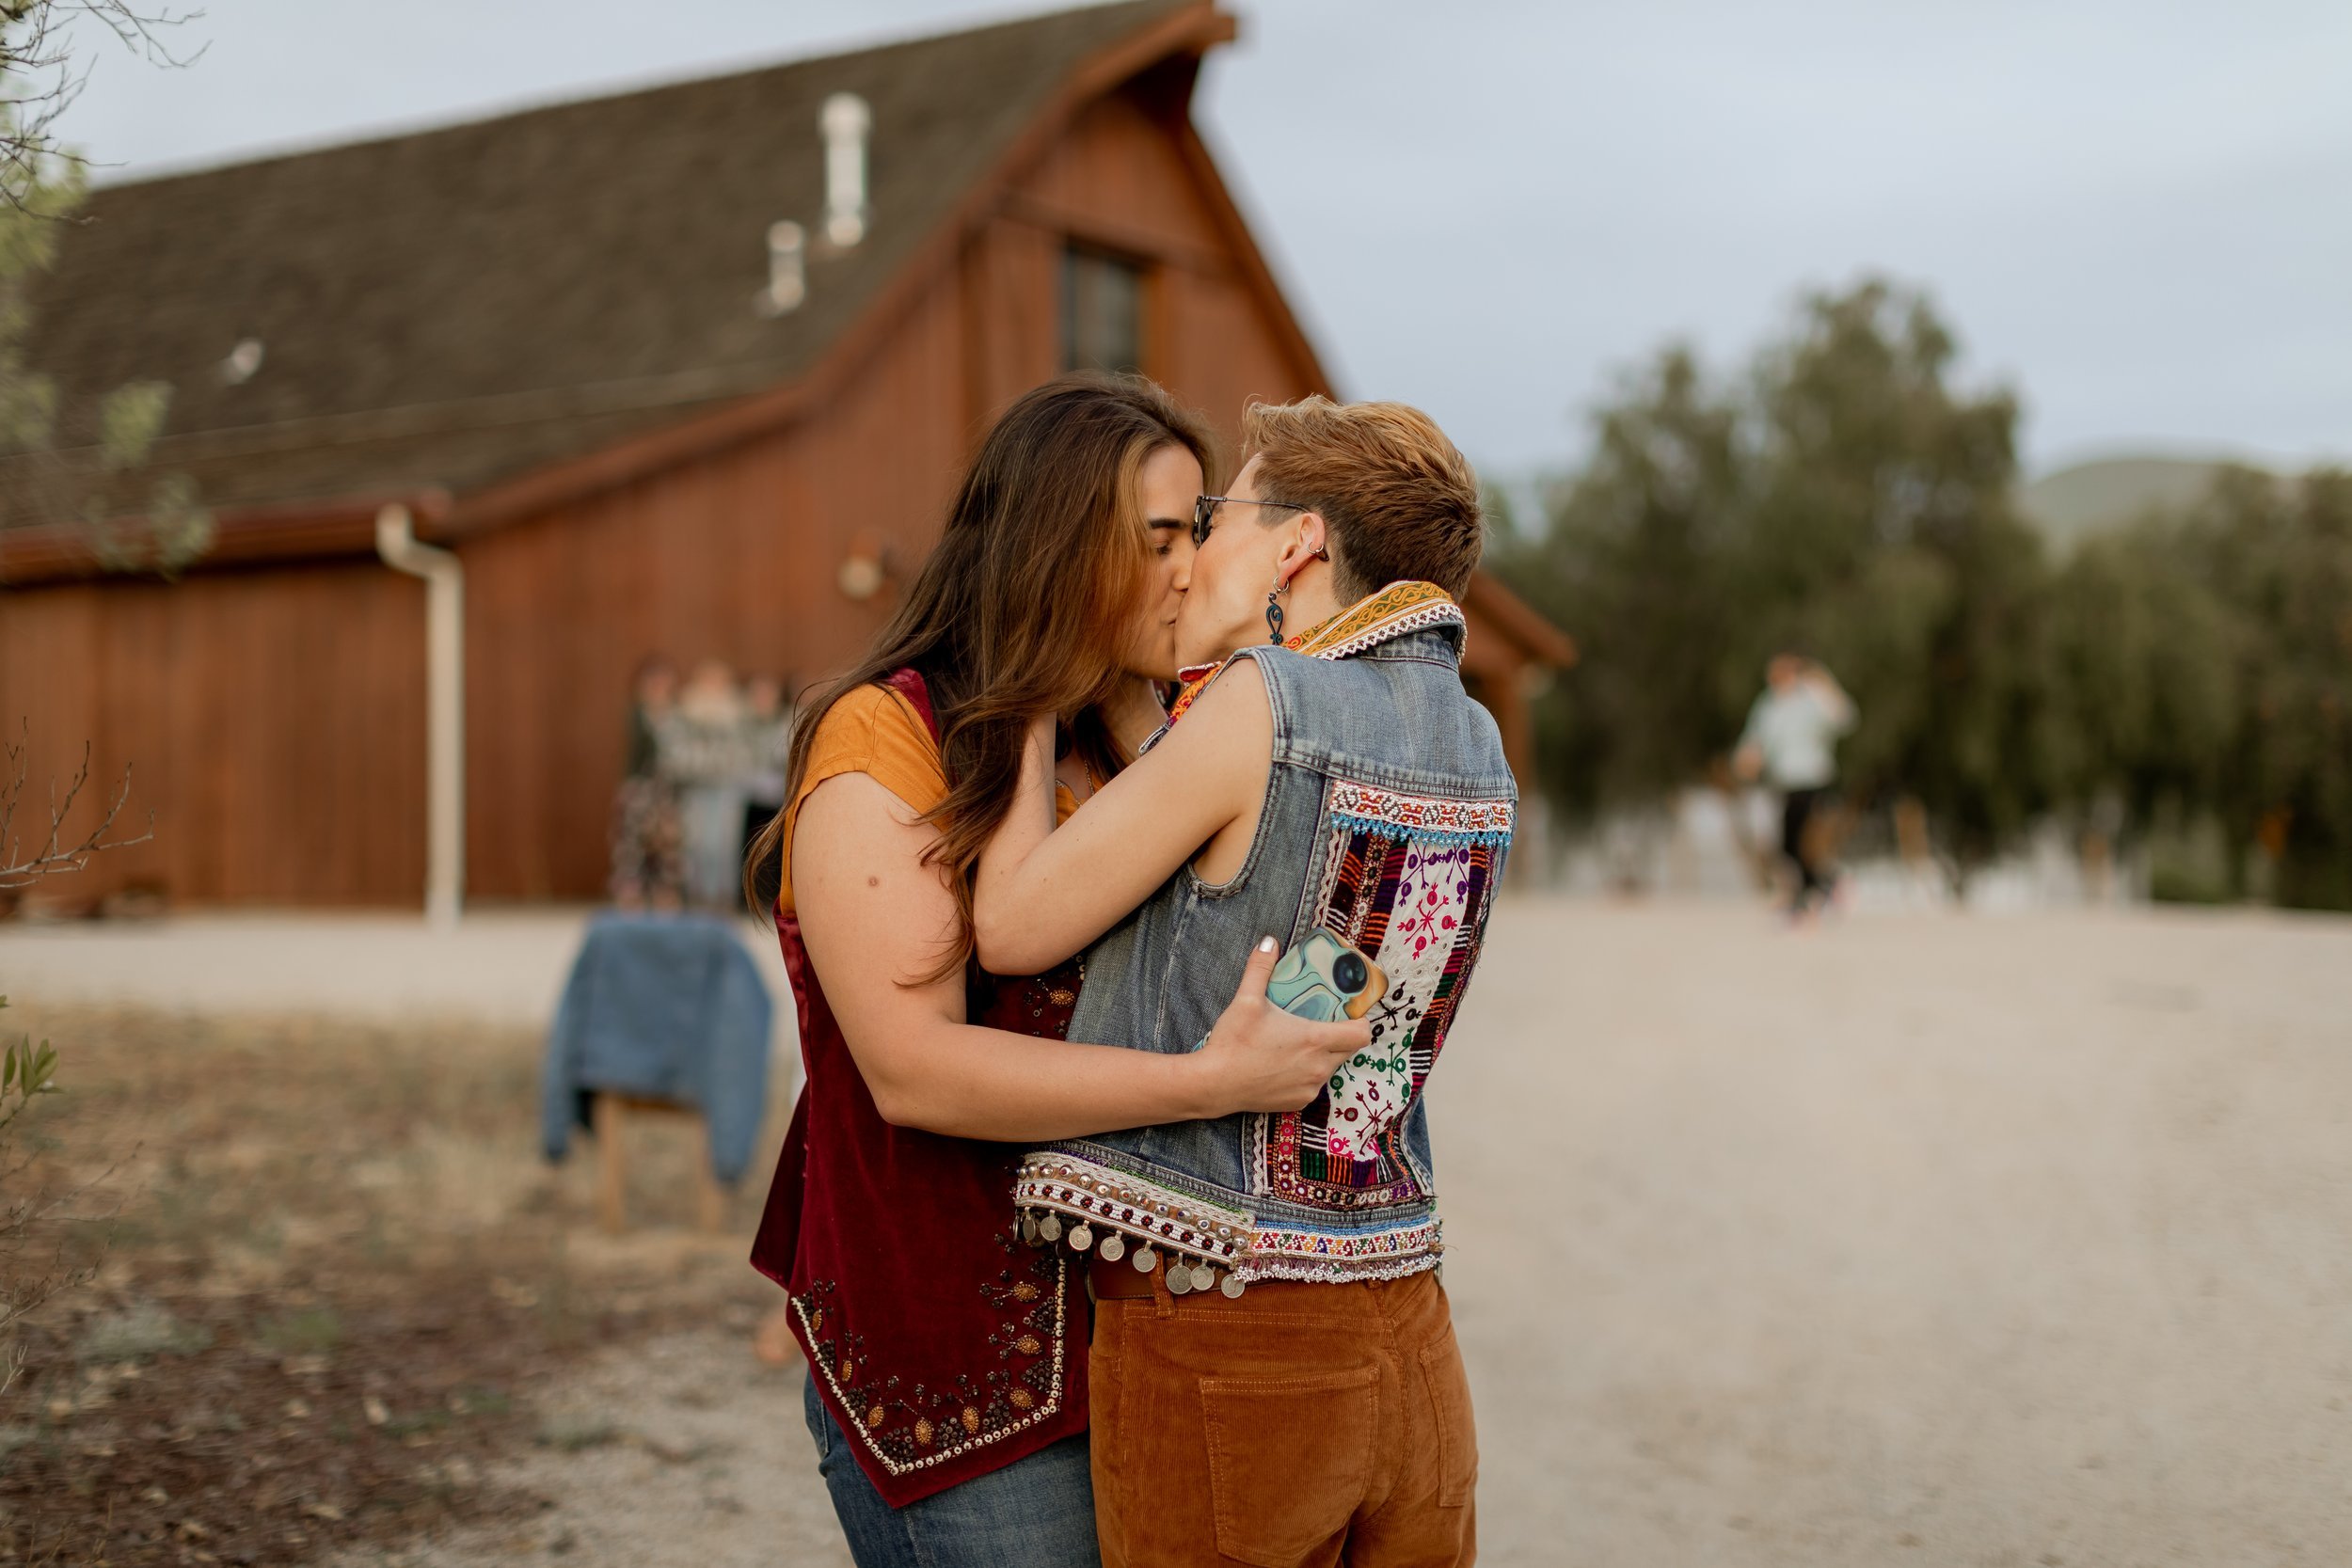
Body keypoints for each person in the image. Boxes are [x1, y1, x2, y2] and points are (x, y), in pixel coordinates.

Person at [741, 375, 1371, 1568]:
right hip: (964, 1382)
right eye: (1162, 540)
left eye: (1202, 533)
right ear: (1051, 549)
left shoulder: (1154, 733)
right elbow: (912, 1072)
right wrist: (1207, 1080)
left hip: (1155, 1353)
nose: (1193, 567)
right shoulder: (883, 735)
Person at [975, 396, 1515, 1568]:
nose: (1194, 551)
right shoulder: (1478, 746)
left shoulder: (1261, 701)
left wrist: (1026, 694)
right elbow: (1332, 981)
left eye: (1216, 516)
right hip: (1408, 1321)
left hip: (1221, 1322)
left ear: (1298, 545)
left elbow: (1011, 924)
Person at [1733, 652, 1856, 915]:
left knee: (1804, 841)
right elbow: (1756, 739)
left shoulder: (1811, 700)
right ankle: (1819, 888)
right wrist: (1748, 758)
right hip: (1785, 782)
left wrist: (1823, 682)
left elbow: (1844, 718)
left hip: (1814, 779)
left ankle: (1817, 889)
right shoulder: (1768, 705)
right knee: (1787, 844)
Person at [608, 654, 683, 911]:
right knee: (632, 844)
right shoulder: (638, 715)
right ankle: (631, 895)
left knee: (667, 846)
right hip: (641, 787)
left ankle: (666, 893)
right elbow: (636, 755)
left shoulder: (677, 716)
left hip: (667, 790)